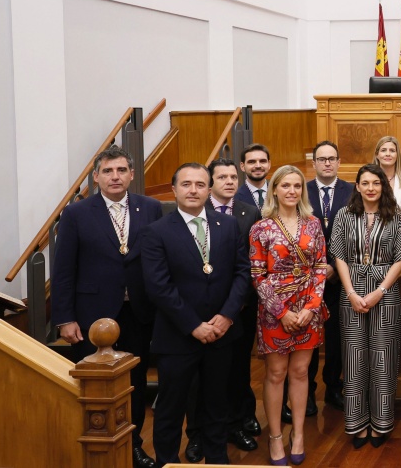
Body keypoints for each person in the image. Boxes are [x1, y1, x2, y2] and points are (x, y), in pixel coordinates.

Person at [51, 146, 163, 468]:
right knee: (96, 386)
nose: (115, 176)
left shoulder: (151, 208)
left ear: (131, 174)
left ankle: (133, 446)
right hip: (92, 316)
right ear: (97, 177)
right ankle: (97, 447)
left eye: (121, 170)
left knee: (135, 382)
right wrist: (65, 318)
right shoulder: (76, 214)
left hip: (138, 312)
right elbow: (63, 270)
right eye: (108, 171)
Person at [140, 163, 251, 466]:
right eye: (186, 184)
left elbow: (242, 273)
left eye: (200, 184)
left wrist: (227, 316)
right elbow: (158, 286)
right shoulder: (156, 232)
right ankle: (167, 462)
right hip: (177, 336)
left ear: (209, 189)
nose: (193, 190)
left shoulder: (228, 225)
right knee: (171, 409)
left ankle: (216, 461)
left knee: (217, 405)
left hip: (222, 333)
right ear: (173, 190)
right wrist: (193, 325)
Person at [249, 165, 330, 466]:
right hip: (274, 311)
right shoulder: (261, 228)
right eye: (285, 185)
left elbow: (320, 266)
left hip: (308, 308)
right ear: (274, 189)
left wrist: (310, 308)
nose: (292, 191)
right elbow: (257, 275)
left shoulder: (313, 224)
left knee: (300, 372)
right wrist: (281, 312)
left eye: (297, 186)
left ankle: (298, 434)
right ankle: (275, 437)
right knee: (275, 373)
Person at [184, 157, 262, 463]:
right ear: (209, 183)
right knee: (197, 378)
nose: (229, 182)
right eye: (222, 177)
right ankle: (196, 434)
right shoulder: (194, 210)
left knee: (236, 370)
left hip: (238, 307)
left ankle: (234, 424)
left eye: (233, 177)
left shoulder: (248, 211)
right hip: (198, 310)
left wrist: (234, 306)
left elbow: (249, 264)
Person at [329, 163, 401, 449]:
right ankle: (357, 423)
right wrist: (350, 292)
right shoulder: (344, 215)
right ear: (357, 186)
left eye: (376, 183)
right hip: (351, 290)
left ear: (383, 186)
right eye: (365, 183)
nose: (371, 188)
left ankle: (381, 423)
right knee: (354, 358)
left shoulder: (396, 215)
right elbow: (338, 255)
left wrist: (380, 290)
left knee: (383, 357)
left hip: (385, 290)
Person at [305, 141, 352, 412]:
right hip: (306, 279)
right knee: (308, 337)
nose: (327, 163)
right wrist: (316, 269)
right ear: (314, 163)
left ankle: (334, 386)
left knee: (336, 337)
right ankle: (307, 392)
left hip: (339, 278)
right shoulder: (302, 191)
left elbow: (356, 234)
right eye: (321, 159)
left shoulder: (352, 191)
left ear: (338, 162)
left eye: (331, 158)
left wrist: (333, 265)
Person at [373, 135, 401, 219]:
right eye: (383, 150)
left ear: (397, 155)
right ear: (377, 154)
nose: (388, 154)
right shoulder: (369, 180)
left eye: (392, 150)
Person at [237, 143, 272, 209]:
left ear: (269, 164)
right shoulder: (234, 198)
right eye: (252, 162)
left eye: (262, 161)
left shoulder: (278, 193)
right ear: (242, 166)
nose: (258, 166)